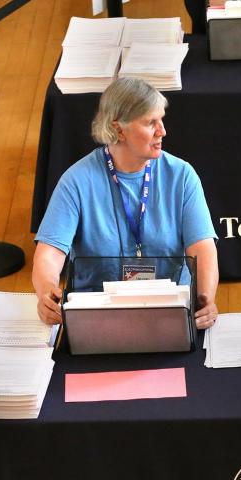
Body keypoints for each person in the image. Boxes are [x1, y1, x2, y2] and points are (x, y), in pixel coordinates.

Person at [33, 77, 219, 329]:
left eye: (161, 119)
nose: (162, 131)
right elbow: (49, 256)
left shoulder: (182, 175)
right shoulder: (75, 181)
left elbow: (203, 248)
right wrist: (46, 292)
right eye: (150, 122)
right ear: (119, 129)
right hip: (96, 314)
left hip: (168, 312)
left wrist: (205, 298)